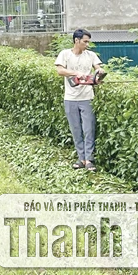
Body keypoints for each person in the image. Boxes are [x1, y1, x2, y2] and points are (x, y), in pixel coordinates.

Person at [54, 29, 103, 172]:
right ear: (77, 40)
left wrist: (98, 75)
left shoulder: (91, 55)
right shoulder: (65, 54)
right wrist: (76, 73)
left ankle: (89, 159)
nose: (87, 44)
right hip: (70, 98)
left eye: (88, 41)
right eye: (85, 41)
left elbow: (98, 68)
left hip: (87, 97)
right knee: (76, 129)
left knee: (89, 129)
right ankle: (81, 158)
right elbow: (60, 71)